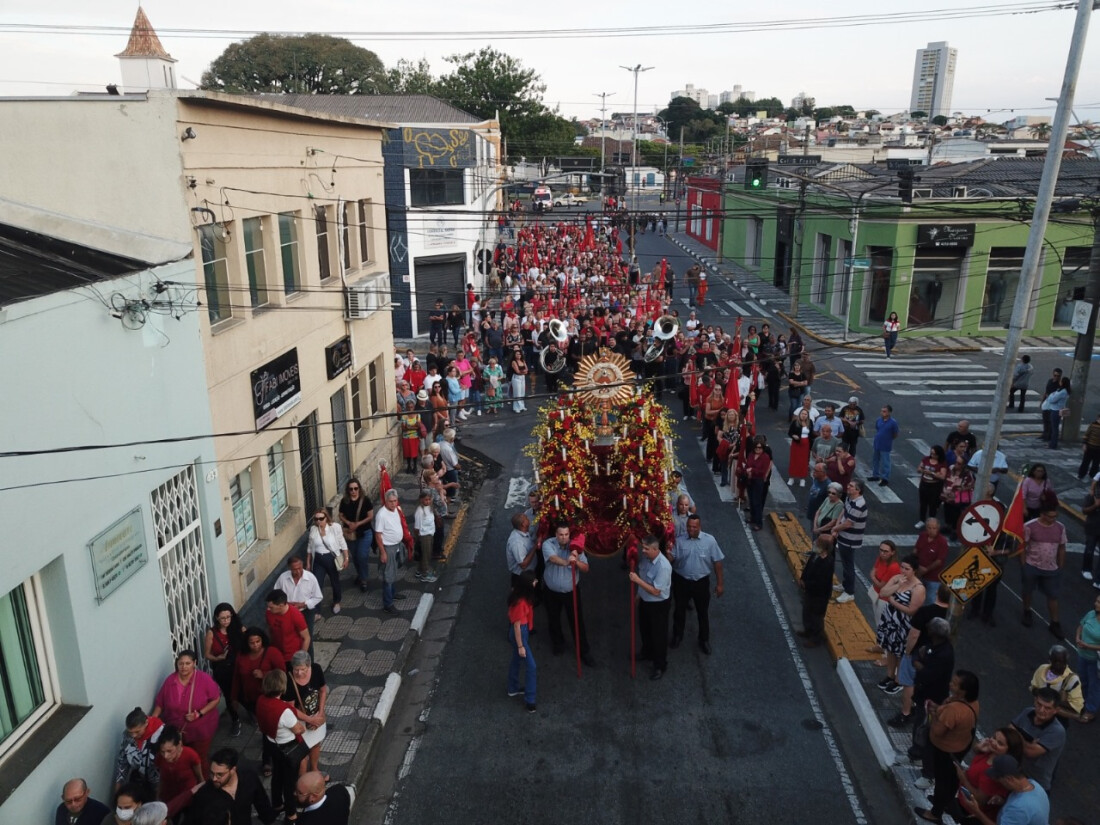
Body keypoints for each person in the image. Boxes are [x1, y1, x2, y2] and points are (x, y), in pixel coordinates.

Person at [914, 670, 980, 825]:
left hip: (946, 750)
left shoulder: (953, 710)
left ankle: (935, 812)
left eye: (955, 684)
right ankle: (946, 802)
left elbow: (937, 731)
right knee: (951, 779)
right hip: (961, 746)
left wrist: (935, 714)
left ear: (963, 691)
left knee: (942, 781)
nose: (951, 684)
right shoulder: (973, 703)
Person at [151, 650, 221, 776]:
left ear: (194, 663)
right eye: (181, 663)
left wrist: (199, 713)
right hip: (177, 731)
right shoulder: (170, 681)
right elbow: (160, 703)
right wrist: (153, 721)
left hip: (200, 729)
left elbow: (216, 698)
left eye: (187, 663)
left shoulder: (203, 679)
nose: (184, 667)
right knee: (180, 758)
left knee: (199, 758)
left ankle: (202, 782)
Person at [541, 522, 596, 666]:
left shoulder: (576, 547)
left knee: (577, 620)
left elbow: (586, 568)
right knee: (553, 618)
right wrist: (567, 562)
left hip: (570, 592)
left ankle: (583, 650)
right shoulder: (549, 544)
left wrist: (576, 562)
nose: (564, 538)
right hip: (551, 591)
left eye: (566, 535)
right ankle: (558, 643)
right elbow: (552, 558)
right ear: (556, 534)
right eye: (561, 535)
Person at [669, 514, 725, 655]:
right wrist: (666, 549)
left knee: (702, 612)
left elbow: (717, 563)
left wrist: (720, 584)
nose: (691, 529)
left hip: (701, 582)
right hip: (681, 581)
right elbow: (671, 558)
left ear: (700, 527)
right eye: (689, 526)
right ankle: (677, 636)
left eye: (694, 527)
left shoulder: (710, 541)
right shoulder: (679, 541)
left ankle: (704, 640)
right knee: (679, 610)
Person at [875, 555, 926, 696]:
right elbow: (883, 592)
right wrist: (897, 585)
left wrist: (893, 602)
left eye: (907, 569)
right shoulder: (897, 578)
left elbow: (912, 610)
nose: (903, 571)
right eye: (902, 567)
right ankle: (890, 675)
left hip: (904, 624)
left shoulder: (918, 588)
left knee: (901, 653)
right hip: (890, 621)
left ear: (914, 570)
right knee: (890, 650)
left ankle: (898, 680)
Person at [189, 746, 277, 825]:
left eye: (220, 774)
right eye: (212, 773)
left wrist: (269, 820)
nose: (214, 778)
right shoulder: (204, 794)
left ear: (233, 770)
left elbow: (262, 803)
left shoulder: (248, 778)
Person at [1020, 496, 1067, 639]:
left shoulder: (1060, 527)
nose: (1053, 519)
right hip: (1032, 565)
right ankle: (1027, 611)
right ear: (1042, 514)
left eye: (1055, 516)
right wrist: (1024, 565)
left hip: (1051, 569)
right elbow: (1023, 546)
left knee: (1053, 596)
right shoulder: (1029, 526)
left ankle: (1055, 622)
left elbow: (1062, 547)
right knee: (1028, 591)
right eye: (1050, 517)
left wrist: (1060, 566)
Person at [957, 754, 1049, 825]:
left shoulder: (1019, 808)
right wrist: (1003, 801)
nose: (999, 783)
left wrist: (977, 812)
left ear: (1009, 779)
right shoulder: (1034, 785)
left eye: (999, 780)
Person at [630, 534, 673, 679]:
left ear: (655, 549)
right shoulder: (647, 559)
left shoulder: (663, 566)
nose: (643, 551)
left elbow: (655, 590)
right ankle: (646, 652)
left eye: (646, 549)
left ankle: (660, 665)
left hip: (658, 605)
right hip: (645, 601)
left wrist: (636, 581)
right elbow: (644, 577)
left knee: (659, 636)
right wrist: (638, 595)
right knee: (645, 629)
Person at [1010, 687, 1066, 794]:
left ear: (1056, 710)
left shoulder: (1057, 731)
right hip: (1016, 773)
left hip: (1036, 785)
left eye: (1047, 708)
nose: (1041, 710)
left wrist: (1016, 735)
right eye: (1039, 704)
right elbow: (1007, 733)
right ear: (1035, 701)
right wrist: (1029, 743)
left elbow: (1030, 752)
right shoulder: (1027, 712)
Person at [203, 603, 245, 739]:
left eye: (228, 617)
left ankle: (250, 711)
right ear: (217, 618)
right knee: (229, 695)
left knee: (243, 691)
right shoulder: (212, 633)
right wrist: (218, 657)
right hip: (222, 669)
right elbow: (207, 654)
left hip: (238, 666)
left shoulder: (238, 628)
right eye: (223, 618)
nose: (226, 621)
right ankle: (235, 719)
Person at [284, 651, 328, 776]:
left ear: (309, 666)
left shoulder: (317, 669)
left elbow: (323, 690)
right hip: (300, 721)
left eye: (302, 669)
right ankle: (302, 780)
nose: (299, 673)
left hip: (316, 715)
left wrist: (320, 712)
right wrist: (309, 720)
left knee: (316, 744)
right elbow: (291, 707)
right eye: (296, 669)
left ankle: (314, 769)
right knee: (302, 754)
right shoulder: (288, 679)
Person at [830, 480, 868, 604]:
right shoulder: (849, 499)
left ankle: (849, 592)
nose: (848, 487)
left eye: (851, 486)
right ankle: (845, 585)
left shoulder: (859, 504)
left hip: (850, 539)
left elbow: (849, 523)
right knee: (846, 564)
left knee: (848, 565)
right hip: (843, 535)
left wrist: (835, 529)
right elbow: (843, 512)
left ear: (858, 490)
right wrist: (836, 527)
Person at [507, 569, 539, 711]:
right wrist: (521, 646)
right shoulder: (521, 602)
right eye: (534, 580)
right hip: (521, 633)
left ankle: (513, 687)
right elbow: (517, 626)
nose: (536, 582)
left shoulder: (519, 597)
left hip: (521, 633)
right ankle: (530, 700)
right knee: (531, 666)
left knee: (516, 660)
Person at [113, 708, 164, 795]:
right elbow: (123, 761)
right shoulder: (127, 735)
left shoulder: (161, 733)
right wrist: (118, 789)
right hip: (139, 778)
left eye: (137, 731)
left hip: (160, 783)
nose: (134, 735)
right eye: (130, 732)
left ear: (146, 723)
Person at [1029, 644, 1084, 721]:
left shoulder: (1072, 679)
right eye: (1055, 661)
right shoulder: (1042, 669)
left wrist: (1053, 704)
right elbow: (1033, 688)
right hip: (1038, 711)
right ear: (1050, 660)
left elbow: (1076, 705)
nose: (1058, 664)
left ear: (1066, 661)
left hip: (1057, 719)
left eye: (1061, 661)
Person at [373, 489, 407, 615]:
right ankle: (388, 604)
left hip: (397, 546)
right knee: (388, 576)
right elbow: (378, 535)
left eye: (395, 501)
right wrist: (383, 552)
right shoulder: (381, 515)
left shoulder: (396, 510)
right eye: (390, 501)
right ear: (385, 501)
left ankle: (392, 594)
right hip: (388, 548)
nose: (393, 503)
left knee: (393, 572)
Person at [798, 536, 836, 649]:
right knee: (807, 611)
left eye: (818, 543)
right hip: (810, 590)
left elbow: (821, 581)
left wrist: (807, 584)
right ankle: (808, 631)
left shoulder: (827, 562)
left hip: (819, 595)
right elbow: (808, 567)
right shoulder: (815, 555)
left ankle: (816, 639)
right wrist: (802, 578)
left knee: (816, 617)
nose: (814, 543)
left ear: (824, 548)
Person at [276, 556, 323, 644]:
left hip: (306, 612)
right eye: (294, 569)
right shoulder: (283, 578)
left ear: (302, 566)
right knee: (290, 638)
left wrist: (303, 604)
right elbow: (276, 595)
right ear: (289, 568)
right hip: (288, 612)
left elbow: (318, 597)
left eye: (300, 568)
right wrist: (286, 604)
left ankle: (308, 657)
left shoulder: (311, 578)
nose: (298, 572)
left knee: (307, 639)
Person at [338, 478, 373, 594]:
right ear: (348, 490)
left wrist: (358, 524)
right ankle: (360, 575)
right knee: (356, 557)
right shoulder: (345, 501)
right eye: (351, 489)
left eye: (356, 488)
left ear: (359, 488)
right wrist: (348, 523)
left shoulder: (366, 500)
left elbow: (370, 516)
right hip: (350, 534)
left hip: (364, 533)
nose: (353, 491)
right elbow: (341, 515)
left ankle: (363, 579)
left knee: (362, 555)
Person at [153, 726, 202, 807]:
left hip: (187, 796)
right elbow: (161, 778)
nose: (165, 756)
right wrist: (158, 796)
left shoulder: (191, 755)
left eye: (169, 751)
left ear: (179, 745)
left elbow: (200, 778)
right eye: (162, 752)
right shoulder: (159, 758)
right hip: (169, 797)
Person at [265, 590, 311, 662]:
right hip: (276, 654)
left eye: (271, 607)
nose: (268, 609)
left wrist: (301, 659)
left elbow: (306, 638)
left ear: (281, 606)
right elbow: (270, 630)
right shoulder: (269, 613)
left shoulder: (296, 615)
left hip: (292, 656)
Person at [1075, 593, 1100, 722]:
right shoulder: (1091, 614)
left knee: (1094, 685)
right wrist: (1078, 637)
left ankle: (1090, 710)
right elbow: (1081, 625)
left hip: (1095, 660)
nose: (1096, 604)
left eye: (1099, 603)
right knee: (1083, 680)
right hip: (1082, 654)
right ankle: (1081, 701)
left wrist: (1088, 646)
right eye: (1096, 601)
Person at [868, 540, 902, 629]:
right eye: (881, 550)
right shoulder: (880, 558)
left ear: (892, 552)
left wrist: (873, 577)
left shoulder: (893, 567)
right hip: (877, 594)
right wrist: (875, 578)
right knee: (877, 621)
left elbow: (881, 585)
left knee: (880, 624)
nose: (882, 553)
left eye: (886, 551)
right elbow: (873, 571)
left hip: (885, 599)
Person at [915, 519, 949, 600]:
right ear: (926, 527)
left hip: (933, 578)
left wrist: (926, 569)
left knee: (930, 599)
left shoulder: (942, 542)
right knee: (916, 597)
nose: (931, 530)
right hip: (919, 574)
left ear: (938, 528)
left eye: (934, 528)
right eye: (929, 528)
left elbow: (939, 561)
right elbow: (916, 550)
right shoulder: (922, 536)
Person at [915, 446, 948, 529]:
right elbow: (919, 468)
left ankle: (931, 521)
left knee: (933, 504)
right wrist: (922, 470)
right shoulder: (926, 459)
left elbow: (942, 476)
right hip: (924, 484)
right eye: (931, 453)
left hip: (935, 486)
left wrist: (932, 473)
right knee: (923, 503)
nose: (932, 456)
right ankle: (922, 520)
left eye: (935, 454)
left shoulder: (942, 463)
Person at [743, 439, 772, 530]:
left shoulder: (765, 457)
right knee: (751, 501)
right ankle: (753, 518)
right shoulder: (751, 455)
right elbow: (747, 465)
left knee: (757, 502)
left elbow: (763, 471)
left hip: (758, 481)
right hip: (750, 480)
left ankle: (759, 523)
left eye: (760, 447)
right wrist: (747, 470)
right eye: (756, 447)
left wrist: (752, 470)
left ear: (763, 448)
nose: (758, 449)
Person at [412, 490, 439, 583]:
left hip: (430, 533)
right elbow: (416, 528)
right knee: (426, 555)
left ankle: (419, 570)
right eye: (425, 500)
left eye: (429, 499)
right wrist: (418, 539)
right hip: (424, 536)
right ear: (421, 500)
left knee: (425, 554)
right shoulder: (419, 512)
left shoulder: (430, 507)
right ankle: (425, 574)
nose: (427, 501)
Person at [870, 404, 899, 486]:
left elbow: (895, 434)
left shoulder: (893, 423)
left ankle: (885, 478)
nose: (882, 413)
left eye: (884, 411)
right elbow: (877, 428)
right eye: (882, 411)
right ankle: (875, 475)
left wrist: (888, 439)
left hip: (886, 445)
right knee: (875, 460)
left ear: (889, 412)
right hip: (877, 443)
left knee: (885, 462)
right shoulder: (878, 420)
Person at [506, 511, 537, 590]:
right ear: (523, 524)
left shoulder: (524, 532)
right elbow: (523, 564)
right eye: (526, 518)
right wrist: (535, 547)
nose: (528, 518)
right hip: (522, 576)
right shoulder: (517, 543)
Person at [1040, 376, 1069, 449]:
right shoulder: (1062, 391)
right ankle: (1052, 443)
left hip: (1055, 410)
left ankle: (1053, 444)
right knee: (1054, 428)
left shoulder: (1062, 392)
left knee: (1054, 429)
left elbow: (1051, 399)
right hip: (1055, 409)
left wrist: (1051, 395)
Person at [787, 408, 813, 487]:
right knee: (794, 460)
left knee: (804, 462)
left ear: (807, 415)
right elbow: (790, 433)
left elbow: (811, 434)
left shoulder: (810, 423)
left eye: (805, 414)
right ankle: (792, 477)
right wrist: (793, 436)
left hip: (805, 445)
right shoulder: (795, 422)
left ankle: (802, 479)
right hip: (796, 444)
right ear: (799, 414)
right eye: (802, 414)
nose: (804, 415)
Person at [1077, 411, 1100, 480]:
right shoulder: (1092, 425)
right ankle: (1081, 474)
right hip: (1089, 447)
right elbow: (1086, 435)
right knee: (1085, 462)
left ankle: (1092, 474)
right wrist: (1084, 444)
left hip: (1098, 449)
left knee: (1096, 463)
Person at [509, 347, 528, 413]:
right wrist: (523, 371)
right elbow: (517, 371)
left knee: (522, 392)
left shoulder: (523, 361)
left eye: (519, 354)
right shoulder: (514, 362)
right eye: (517, 354)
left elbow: (526, 370)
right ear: (515, 355)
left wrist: (523, 372)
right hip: (516, 378)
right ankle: (516, 407)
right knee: (517, 393)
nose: (518, 355)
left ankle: (522, 406)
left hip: (522, 377)